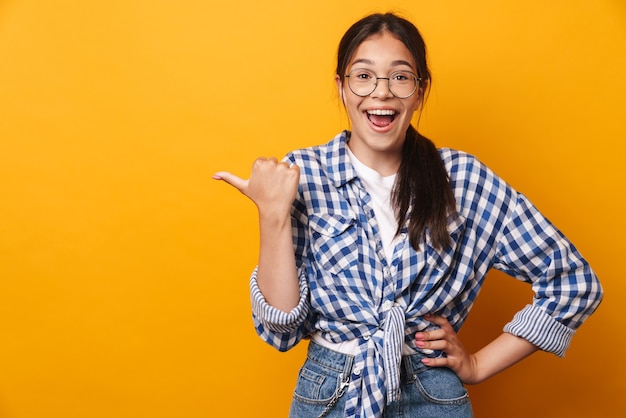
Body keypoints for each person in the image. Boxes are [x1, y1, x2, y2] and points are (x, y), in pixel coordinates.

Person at [213, 12, 603, 418]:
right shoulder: (303, 174)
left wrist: (478, 366)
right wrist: (271, 215)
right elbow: (281, 329)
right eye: (363, 76)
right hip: (331, 389)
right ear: (341, 87)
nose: (381, 93)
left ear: (420, 91)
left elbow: (574, 283)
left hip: (431, 391)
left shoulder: (463, 180)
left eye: (400, 77)